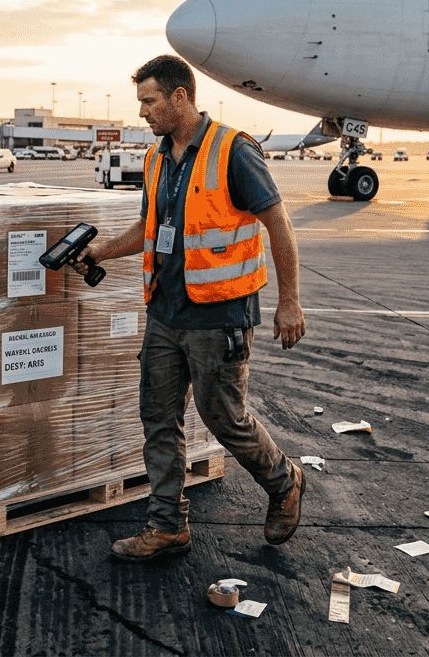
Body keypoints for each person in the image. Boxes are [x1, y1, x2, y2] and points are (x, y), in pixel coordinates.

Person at [72, 54, 307, 563]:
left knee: (223, 417)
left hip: (219, 314)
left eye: (149, 101)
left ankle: (284, 480)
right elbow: (148, 229)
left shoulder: (233, 151)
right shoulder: (157, 158)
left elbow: (278, 224)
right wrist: (101, 250)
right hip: (165, 312)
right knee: (157, 418)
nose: (143, 113)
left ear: (180, 96)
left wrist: (289, 301)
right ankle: (166, 526)